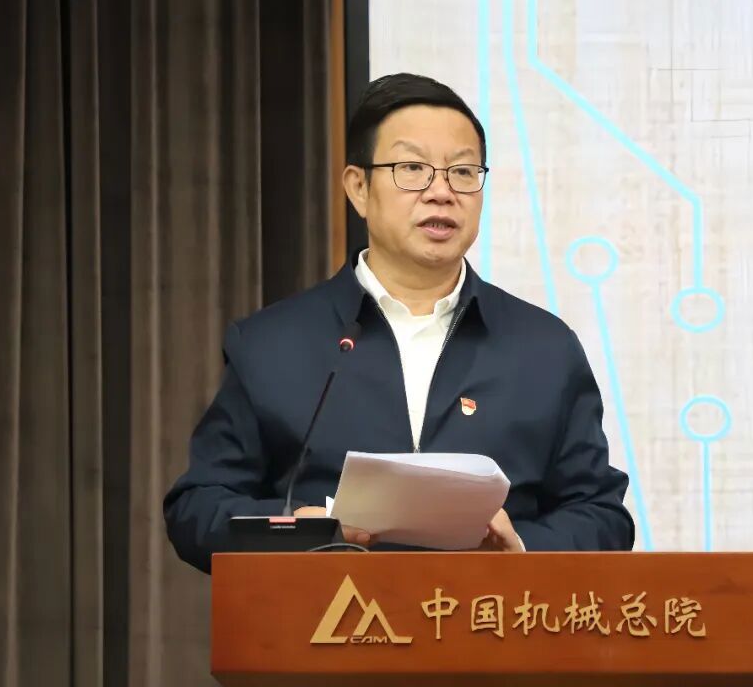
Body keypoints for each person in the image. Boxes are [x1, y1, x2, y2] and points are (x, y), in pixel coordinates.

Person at [163, 73, 635, 573]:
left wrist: (519, 549)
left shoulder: (544, 349)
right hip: (329, 616)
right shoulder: (272, 344)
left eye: (463, 172)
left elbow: (601, 514)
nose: (441, 192)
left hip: (487, 617)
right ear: (359, 188)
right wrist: (299, 530)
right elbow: (198, 508)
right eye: (413, 169)